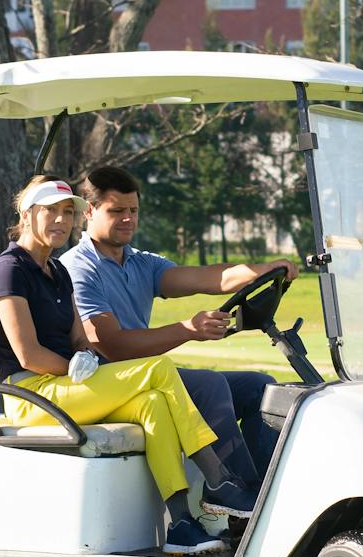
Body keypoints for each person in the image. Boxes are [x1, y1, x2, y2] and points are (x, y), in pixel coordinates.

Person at [0, 174, 254, 557]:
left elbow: (78, 336)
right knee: (158, 370)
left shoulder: (57, 272)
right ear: (27, 215)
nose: (60, 221)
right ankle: (219, 479)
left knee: (152, 404)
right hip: (31, 394)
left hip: (62, 386)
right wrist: (74, 367)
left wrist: (85, 356)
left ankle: (180, 524)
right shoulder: (9, 270)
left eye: (66, 212)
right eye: (50, 212)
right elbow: (28, 354)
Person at [64, 165, 295, 516]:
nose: (128, 219)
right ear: (90, 211)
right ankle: (234, 493)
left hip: (148, 375)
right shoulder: (79, 269)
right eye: (116, 211)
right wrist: (188, 329)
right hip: (113, 382)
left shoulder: (140, 263)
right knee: (210, 384)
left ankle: (266, 490)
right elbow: (113, 346)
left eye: (134, 211)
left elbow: (208, 277)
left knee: (259, 386)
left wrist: (262, 270)